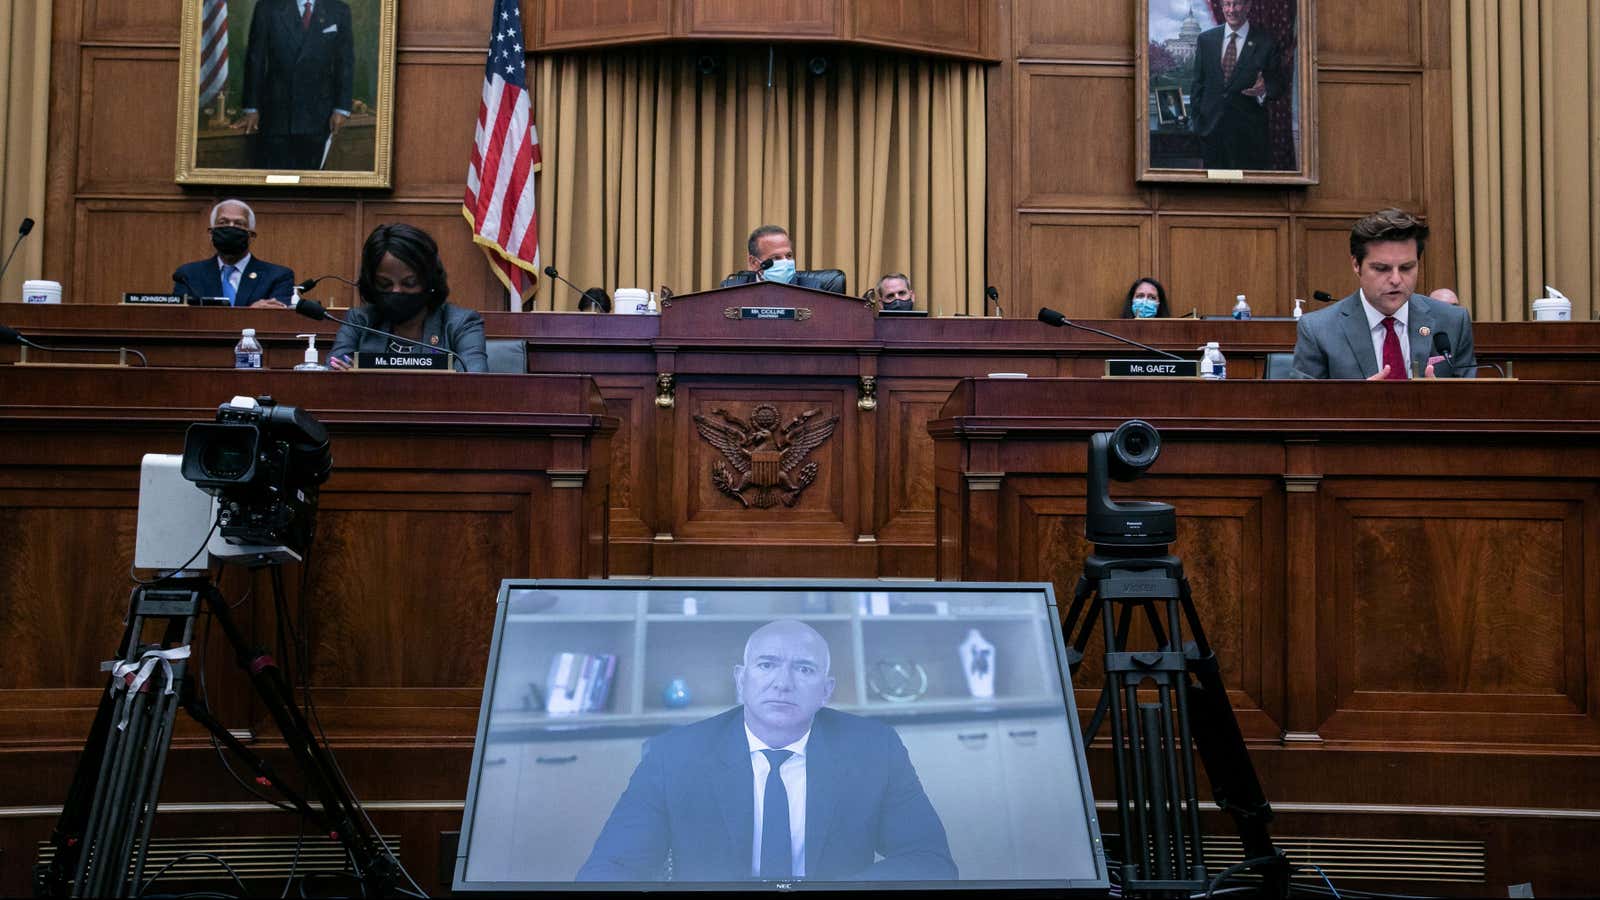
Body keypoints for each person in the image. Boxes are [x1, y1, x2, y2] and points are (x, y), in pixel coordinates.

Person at [577, 620, 956, 883]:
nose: (782, 683)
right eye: (767, 664)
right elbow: (612, 866)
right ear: (742, 680)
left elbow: (930, 860)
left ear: (826, 690)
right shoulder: (674, 755)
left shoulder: (875, 749)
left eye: (804, 669)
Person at [1291, 208, 1476, 380]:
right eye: (1381, 268)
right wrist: (1358, 403)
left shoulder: (1453, 322)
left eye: (1406, 268)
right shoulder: (1318, 331)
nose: (1396, 279)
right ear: (1356, 265)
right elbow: (1303, 410)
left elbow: (1474, 406)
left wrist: (1442, 400)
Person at [329, 223, 488, 372]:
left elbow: (475, 383)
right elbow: (332, 375)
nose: (397, 291)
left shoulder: (460, 324)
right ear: (371, 283)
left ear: (429, 280)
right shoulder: (360, 321)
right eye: (385, 284)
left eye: (409, 283)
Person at [237, 0, 354, 170]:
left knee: (310, 188)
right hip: (277, 115)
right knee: (276, 184)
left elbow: (345, 63)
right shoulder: (268, 7)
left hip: (319, 116)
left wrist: (342, 108)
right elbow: (256, 60)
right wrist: (251, 108)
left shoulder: (339, 10)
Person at [1188, 0, 1283, 170]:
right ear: (1222, 7)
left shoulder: (1266, 43)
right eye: (1227, 4)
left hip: (1250, 138)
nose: (1231, 10)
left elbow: (1278, 85)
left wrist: (1264, 89)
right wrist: (1198, 124)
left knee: (1247, 194)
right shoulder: (1205, 40)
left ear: (1248, 6)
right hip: (1212, 135)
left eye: (1237, 4)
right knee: (1216, 193)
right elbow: (1197, 85)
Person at [171, 200, 294, 308]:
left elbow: (277, 320)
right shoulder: (188, 276)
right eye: (223, 222)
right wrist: (249, 313)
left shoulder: (277, 277)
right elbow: (180, 318)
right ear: (211, 233)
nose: (231, 228)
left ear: (251, 236)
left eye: (239, 224)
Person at [719, 226, 848, 295]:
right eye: (776, 258)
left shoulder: (812, 289)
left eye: (789, 255)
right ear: (754, 263)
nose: (786, 262)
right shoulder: (732, 290)